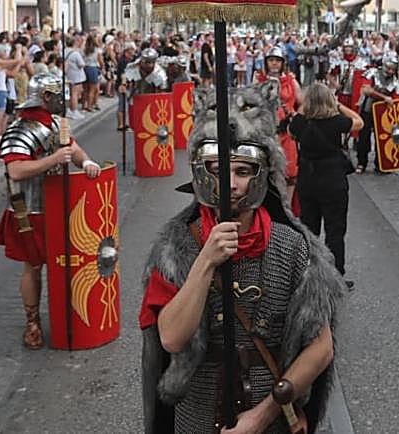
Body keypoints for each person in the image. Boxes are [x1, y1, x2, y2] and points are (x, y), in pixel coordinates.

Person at [140, 80, 343, 434]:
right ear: (201, 173)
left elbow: (321, 347)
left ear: (261, 174)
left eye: (243, 171)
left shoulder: (292, 247)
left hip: (269, 412)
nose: (230, 184)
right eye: (218, 170)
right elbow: (171, 338)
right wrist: (205, 261)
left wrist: (263, 415)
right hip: (199, 411)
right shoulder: (176, 245)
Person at [0, 72, 101, 349]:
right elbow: (16, 170)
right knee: (33, 266)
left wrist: (86, 162)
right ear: (46, 96)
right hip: (31, 209)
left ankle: (70, 316)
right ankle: (33, 322)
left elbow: (73, 148)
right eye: (58, 94)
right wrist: (53, 159)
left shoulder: (55, 123)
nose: (63, 99)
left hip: (60, 204)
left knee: (69, 262)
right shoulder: (19, 129)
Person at [290, 82, 360, 284]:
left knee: (309, 231)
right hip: (333, 181)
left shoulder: (300, 123)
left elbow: (291, 129)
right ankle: (335, 276)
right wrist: (338, 105)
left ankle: (309, 274)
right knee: (335, 231)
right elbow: (359, 122)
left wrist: (305, 107)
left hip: (308, 181)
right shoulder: (336, 122)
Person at [256, 46, 302, 199]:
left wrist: (295, 118)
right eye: (271, 60)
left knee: (289, 173)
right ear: (266, 62)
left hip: (286, 133)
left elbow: (302, 104)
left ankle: (287, 208)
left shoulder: (290, 81)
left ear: (282, 63)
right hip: (266, 134)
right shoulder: (259, 80)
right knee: (264, 172)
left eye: (277, 60)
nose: (274, 63)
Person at [354, 52, 399, 173]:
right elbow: (366, 90)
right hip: (367, 109)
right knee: (364, 138)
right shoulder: (372, 73)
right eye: (389, 68)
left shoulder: (395, 81)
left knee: (382, 138)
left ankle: (380, 164)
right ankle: (361, 163)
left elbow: (397, 99)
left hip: (383, 114)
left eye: (393, 69)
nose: (391, 71)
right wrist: (384, 97)